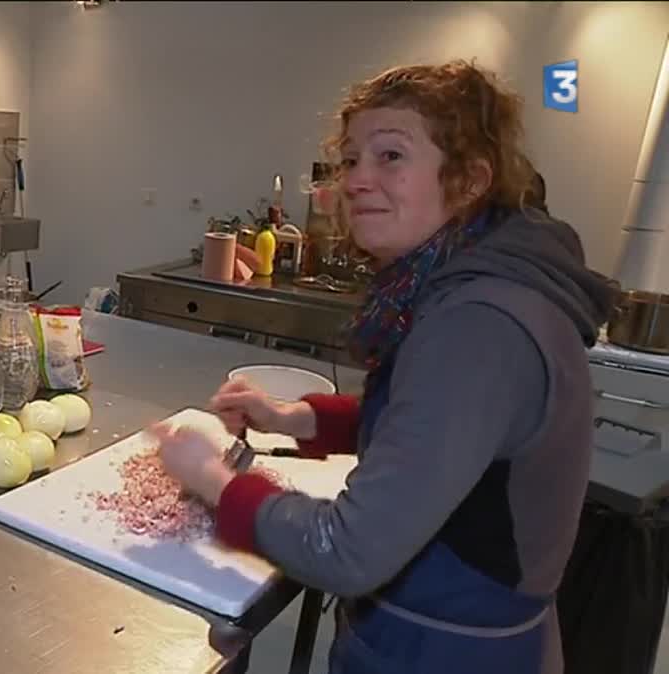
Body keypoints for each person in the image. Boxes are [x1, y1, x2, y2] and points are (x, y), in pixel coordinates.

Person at [152, 60, 617, 674]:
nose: (356, 181)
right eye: (351, 160)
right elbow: (433, 428)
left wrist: (213, 479)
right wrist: (294, 418)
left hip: (448, 653)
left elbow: (343, 551)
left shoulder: (480, 324)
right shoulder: (475, 280)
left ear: (471, 178)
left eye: (390, 156)